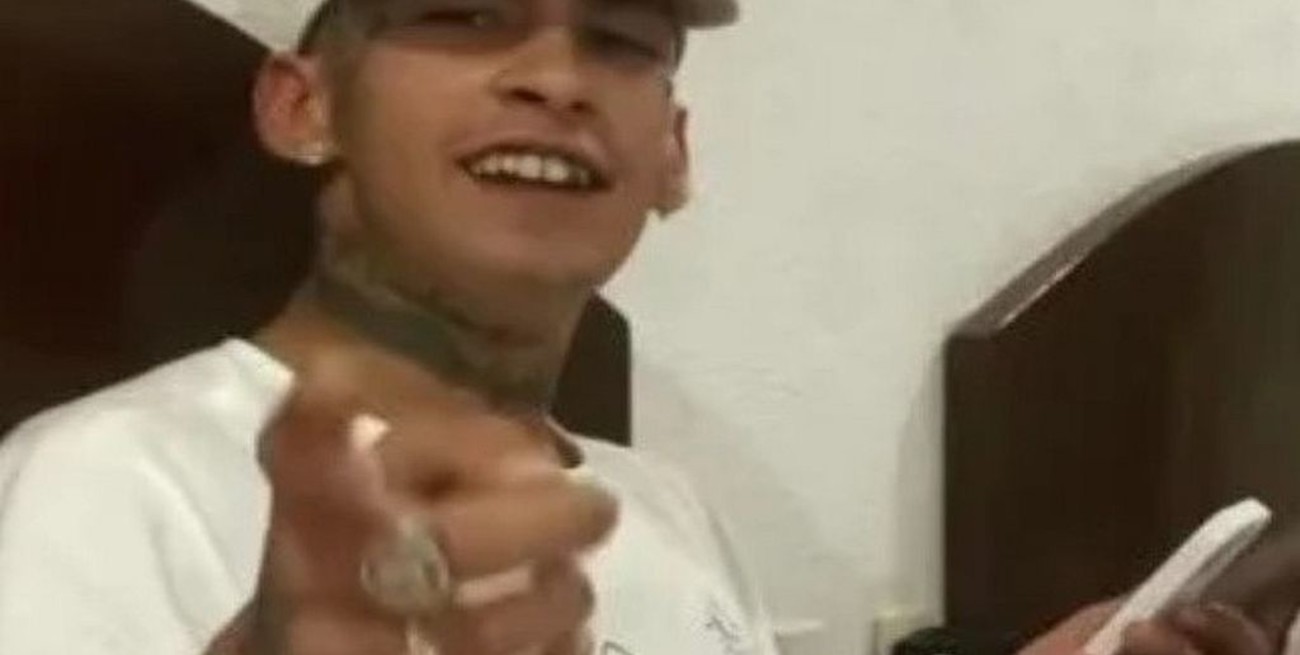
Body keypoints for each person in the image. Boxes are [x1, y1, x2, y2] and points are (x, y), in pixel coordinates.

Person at [0, 1, 1284, 654]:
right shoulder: (113, 486)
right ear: (303, 106)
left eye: (619, 41)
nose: (555, 78)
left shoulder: (660, 506)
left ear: (670, 156)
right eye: (465, 14)